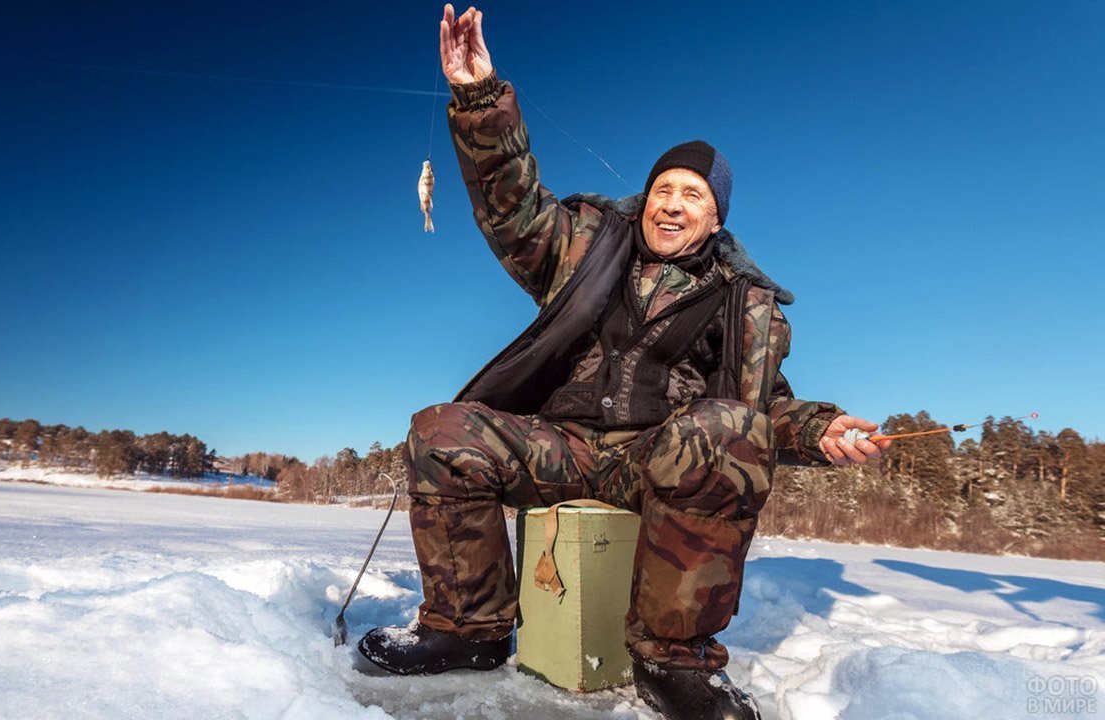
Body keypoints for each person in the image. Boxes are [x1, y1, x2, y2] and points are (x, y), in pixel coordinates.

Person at [358, 5, 892, 719]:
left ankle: (672, 660)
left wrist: (820, 431)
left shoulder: (742, 302)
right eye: (664, 190)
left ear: (716, 217)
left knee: (726, 427)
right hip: (567, 448)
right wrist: (480, 98)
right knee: (442, 432)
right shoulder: (585, 246)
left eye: (692, 196)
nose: (672, 205)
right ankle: (468, 631)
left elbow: (763, 410)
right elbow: (512, 205)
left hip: (655, 458)